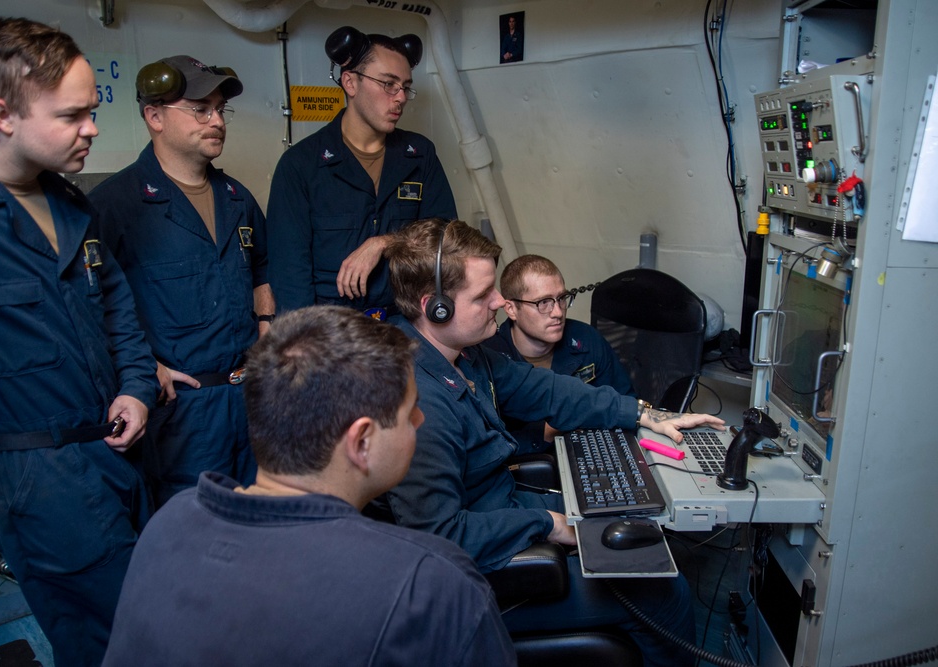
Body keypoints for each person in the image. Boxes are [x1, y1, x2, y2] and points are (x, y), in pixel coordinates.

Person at [383, 218, 727, 667]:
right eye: (483, 295)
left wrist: (647, 414)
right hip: (482, 584)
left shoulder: (463, 357)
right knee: (662, 590)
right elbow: (440, 538)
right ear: (437, 308)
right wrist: (545, 523)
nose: (498, 303)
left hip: (503, 514)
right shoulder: (418, 402)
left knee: (633, 531)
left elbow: (548, 391)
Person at [102, 306, 516, 666]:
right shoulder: (431, 582)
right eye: (411, 412)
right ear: (361, 441)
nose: (421, 422)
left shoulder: (170, 523)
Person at [0, 18, 158, 667]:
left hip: (116, 456)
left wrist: (138, 389)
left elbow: (117, 307)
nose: (92, 128)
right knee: (131, 638)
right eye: (73, 115)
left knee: (134, 626)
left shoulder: (66, 200)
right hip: (38, 480)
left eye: (91, 112)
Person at [89, 55, 271, 507]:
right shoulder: (114, 206)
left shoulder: (237, 198)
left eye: (219, 110)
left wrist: (266, 322)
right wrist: (140, 370)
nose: (216, 121)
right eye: (200, 109)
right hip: (183, 414)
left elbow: (263, 268)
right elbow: (88, 308)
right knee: (191, 536)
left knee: (259, 523)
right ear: (154, 116)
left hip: (248, 399)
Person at [267, 26, 456, 318]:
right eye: (388, 84)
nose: (401, 97)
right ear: (350, 83)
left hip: (405, 321)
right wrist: (305, 346)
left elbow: (447, 235)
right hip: (332, 329)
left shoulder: (419, 155)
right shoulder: (301, 165)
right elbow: (290, 272)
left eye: (405, 87)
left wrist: (384, 243)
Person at [483, 254, 635, 454]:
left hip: (590, 454)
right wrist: (546, 432)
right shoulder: (489, 356)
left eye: (561, 298)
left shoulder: (586, 339)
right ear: (511, 309)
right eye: (543, 303)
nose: (557, 312)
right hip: (523, 468)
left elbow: (624, 403)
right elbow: (485, 445)